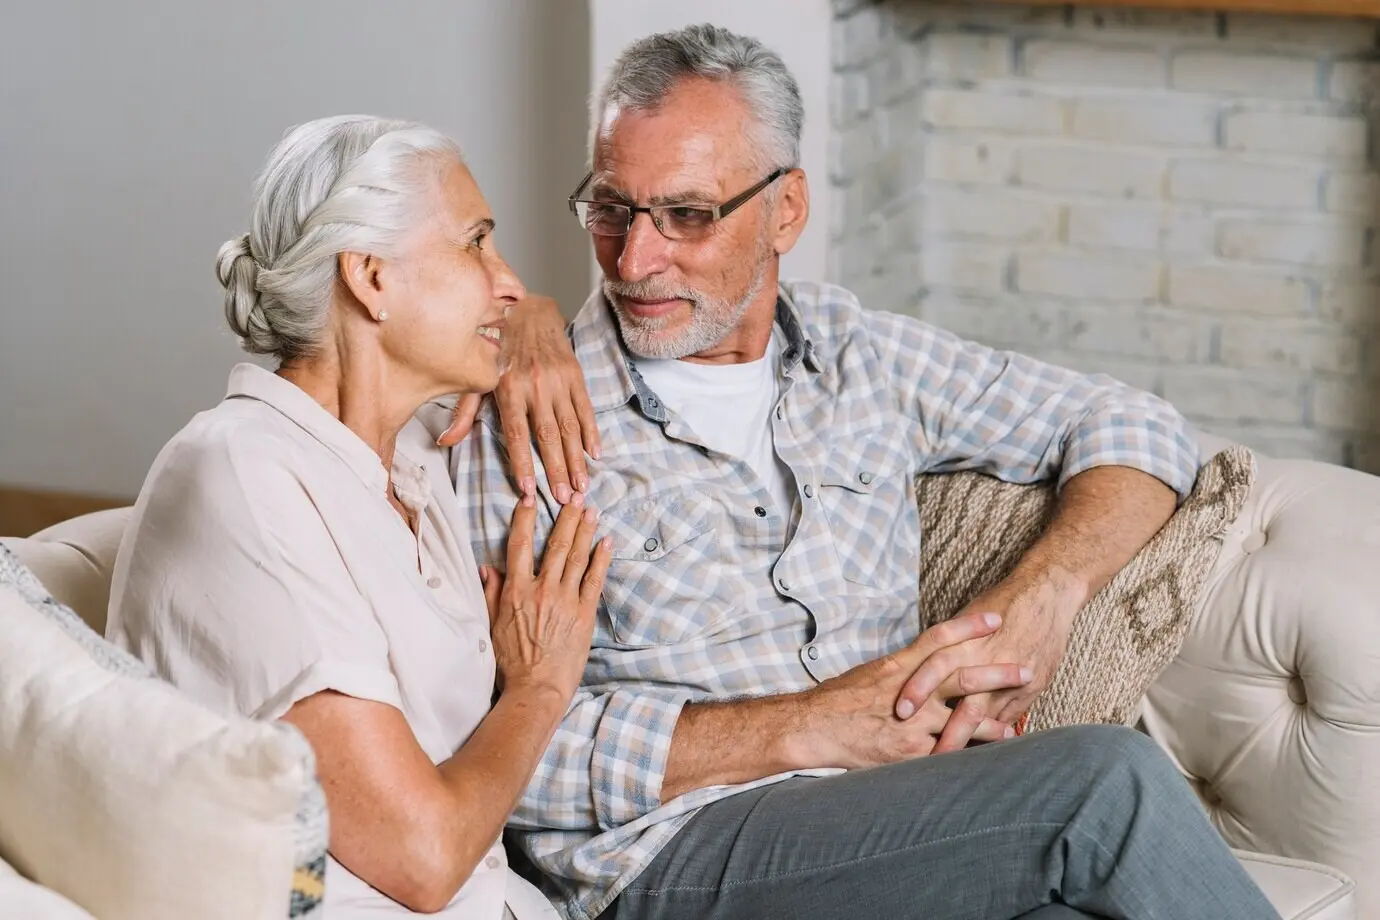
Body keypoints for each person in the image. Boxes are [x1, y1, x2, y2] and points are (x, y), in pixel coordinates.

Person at [452, 24, 1281, 920]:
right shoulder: (517, 420)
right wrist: (802, 726)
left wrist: (1044, 600)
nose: (635, 258)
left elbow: (1135, 425)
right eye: (613, 209)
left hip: (893, 830)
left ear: (787, 209)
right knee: (1104, 783)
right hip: (670, 860)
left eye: (687, 215)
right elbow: (472, 755)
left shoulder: (861, 356)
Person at [105, 114, 613, 920]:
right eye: (476, 242)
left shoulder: (409, 457)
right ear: (371, 278)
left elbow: (521, 311)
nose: (509, 280)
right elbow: (424, 856)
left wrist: (536, 327)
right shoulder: (242, 471)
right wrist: (540, 687)